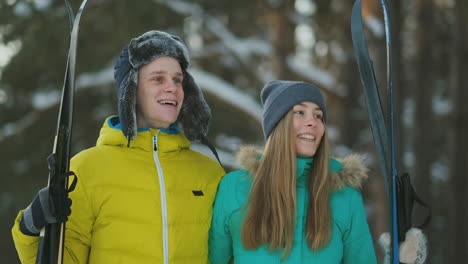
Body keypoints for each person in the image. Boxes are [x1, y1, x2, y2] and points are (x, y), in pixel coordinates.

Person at [12, 30, 225, 264]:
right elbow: (64, 259)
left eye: (177, 79)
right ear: (131, 89)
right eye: (158, 78)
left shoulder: (209, 173)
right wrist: (31, 228)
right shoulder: (87, 168)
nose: (172, 87)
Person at [208, 80, 427, 264]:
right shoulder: (235, 187)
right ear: (277, 125)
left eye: (319, 116)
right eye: (300, 112)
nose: (312, 122)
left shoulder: (344, 196)